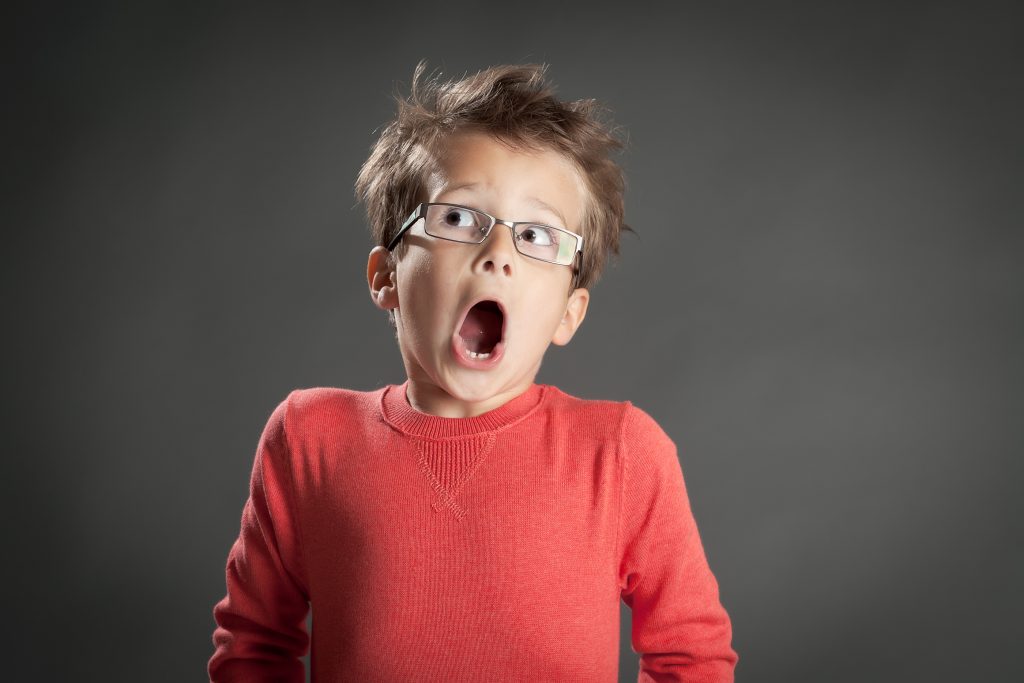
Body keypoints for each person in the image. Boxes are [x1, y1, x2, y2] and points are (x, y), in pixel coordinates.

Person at [208, 62, 738, 682]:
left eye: (538, 236)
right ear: (386, 278)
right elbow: (254, 647)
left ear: (570, 313)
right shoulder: (309, 438)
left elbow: (691, 658)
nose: (497, 257)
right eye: (458, 219)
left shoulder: (622, 453)